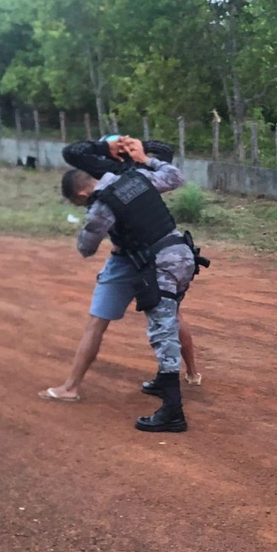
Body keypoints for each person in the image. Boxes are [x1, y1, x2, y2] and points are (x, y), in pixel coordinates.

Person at [42, 136, 205, 432]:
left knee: (162, 331)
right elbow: (174, 176)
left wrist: (92, 225)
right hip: (181, 255)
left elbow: (86, 248)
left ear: (80, 193)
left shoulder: (102, 207)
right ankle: (181, 378)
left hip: (159, 263)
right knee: (171, 320)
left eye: (75, 202)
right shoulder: (136, 176)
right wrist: (146, 159)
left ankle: (173, 411)